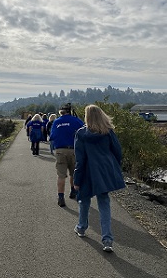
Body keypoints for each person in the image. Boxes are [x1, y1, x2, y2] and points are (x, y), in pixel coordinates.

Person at [73, 104, 125, 253]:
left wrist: (77, 180)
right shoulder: (108, 131)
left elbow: (80, 160)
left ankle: (81, 228)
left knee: (84, 199)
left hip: (88, 171)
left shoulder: (81, 134)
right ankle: (107, 240)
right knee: (104, 203)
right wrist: (113, 167)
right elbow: (117, 151)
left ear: (87, 116)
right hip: (104, 171)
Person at [49, 103, 84, 207]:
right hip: (73, 150)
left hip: (60, 150)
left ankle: (60, 197)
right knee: (74, 173)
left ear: (61, 112)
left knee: (61, 175)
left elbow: (52, 137)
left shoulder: (56, 122)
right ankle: (74, 191)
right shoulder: (76, 120)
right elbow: (84, 132)